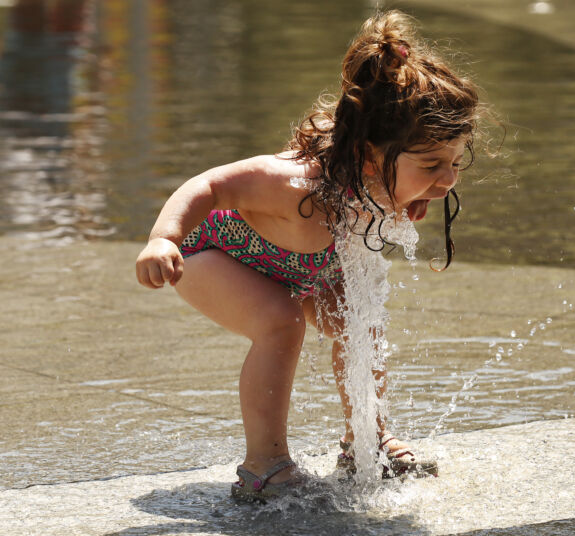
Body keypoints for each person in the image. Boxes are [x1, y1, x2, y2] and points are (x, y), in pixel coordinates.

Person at [135, 10, 480, 502]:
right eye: (431, 165)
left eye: (454, 163)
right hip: (214, 254)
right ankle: (263, 467)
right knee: (281, 322)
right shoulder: (294, 182)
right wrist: (163, 239)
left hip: (307, 267)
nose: (447, 180)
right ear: (367, 150)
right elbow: (209, 185)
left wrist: (411, 190)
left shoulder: (376, 183)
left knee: (362, 319)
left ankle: (366, 438)